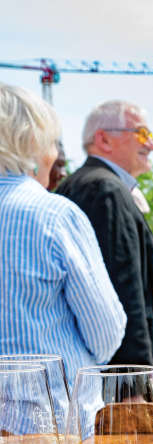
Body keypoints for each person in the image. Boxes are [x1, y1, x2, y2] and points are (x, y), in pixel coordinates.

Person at [0, 83, 125, 385]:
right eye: (52, 143)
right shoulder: (54, 216)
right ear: (33, 143)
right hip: (50, 416)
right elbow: (106, 333)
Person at [57, 99, 153, 392]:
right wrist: (136, 385)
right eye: (143, 134)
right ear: (104, 139)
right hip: (121, 385)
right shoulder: (104, 189)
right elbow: (123, 289)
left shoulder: (88, 184)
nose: (152, 145)